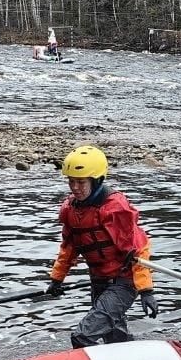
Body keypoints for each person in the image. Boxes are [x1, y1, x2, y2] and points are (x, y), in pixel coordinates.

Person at [47, 145, 156, 348]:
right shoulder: (71, 210)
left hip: (123, 282)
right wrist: (57, 279)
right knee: (115, 340)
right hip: (99, 281)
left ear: (96, 181)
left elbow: (139, 249)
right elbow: (69, 248)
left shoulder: (114, 209)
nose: (75, 187)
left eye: (81, 182)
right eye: (71, 181)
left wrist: (146, 290)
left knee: (82, 337)